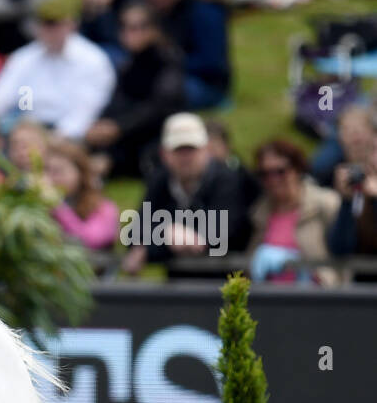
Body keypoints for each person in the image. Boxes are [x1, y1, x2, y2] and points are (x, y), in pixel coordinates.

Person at [121, 112, 251, 277]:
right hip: (177, 289)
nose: (185, 157)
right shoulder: (160, 181)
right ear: (164, 154)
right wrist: (168, 233)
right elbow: (135, 233)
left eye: (191, 149)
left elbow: (222, 235)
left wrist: (159, 240)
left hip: (227, 285)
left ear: (206, 150)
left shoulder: (228, 178)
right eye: (178, 149)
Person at [0, 0, 116, 141]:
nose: (49, 30)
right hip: (25, 129)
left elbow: (83, 113)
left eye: (55, 23)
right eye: (44, 23)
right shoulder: (24, 57)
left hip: (68, 135)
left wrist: (56, 138)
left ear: (71, 24)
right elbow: (1, 95)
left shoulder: (93, 61)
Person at [82, 0, 184, 179]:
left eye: (137, 27)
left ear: (154, 30)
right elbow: (117, 99)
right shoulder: (128, 63)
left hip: (153, 133)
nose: (130, 34)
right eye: (125, 27)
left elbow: (160, 107)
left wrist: (118, 127)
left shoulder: (168, 61)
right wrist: (101, 123)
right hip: (127, 131)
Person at [246, 139, 342, 286]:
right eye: (265, 174)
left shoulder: (326, 203)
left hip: (317, 300)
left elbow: (344, 252)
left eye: (280, 171)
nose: (273, 179)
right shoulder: (258, 212)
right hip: (269, 301)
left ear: (297, 169)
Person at [139, 0, 230, 111]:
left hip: (206, 84)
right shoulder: (166, 11)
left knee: (161, 91)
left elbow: (211, 63)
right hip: (176, 75)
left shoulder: (205, 12)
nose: (153, 2)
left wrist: (170, 60)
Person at [45, 139, 119, 254]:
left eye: (58, 171)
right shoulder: (39, 204)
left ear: (80, 173)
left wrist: (58, 207)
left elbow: (90, 241)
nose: (50, 179)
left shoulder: (104, 207)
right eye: (46, 171)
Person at [327, 141, 377, 281]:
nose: (374, 159)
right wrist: (347, 201)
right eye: (373, 149)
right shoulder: (361, 197)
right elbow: (340, 249)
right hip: (363, 292)